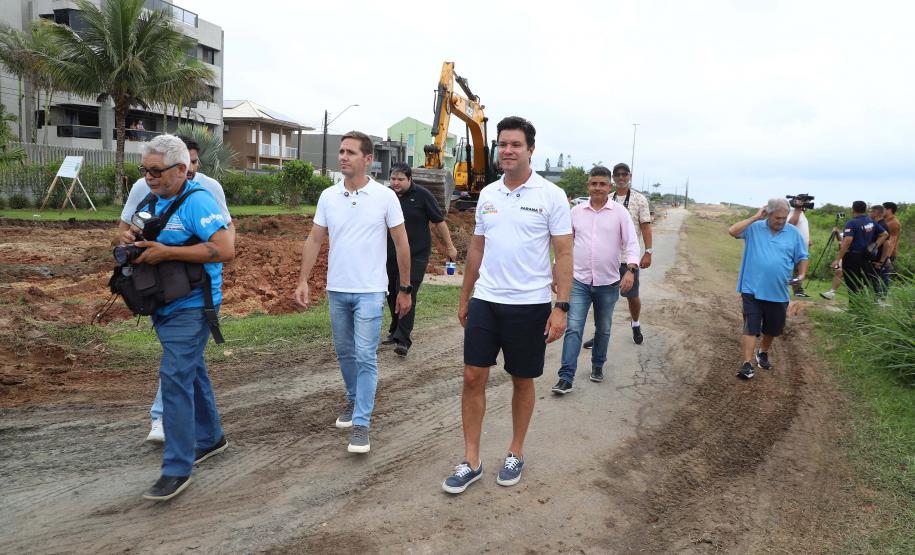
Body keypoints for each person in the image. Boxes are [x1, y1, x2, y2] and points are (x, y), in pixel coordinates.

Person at [442, 116, 572, 494]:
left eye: (515, 144)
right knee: (472, 377)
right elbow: (478, 248)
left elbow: (564, 252)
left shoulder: (551, 195)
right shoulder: (488, 194)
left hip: (529, 305)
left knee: (522, 378)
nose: (508, 151)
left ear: (531, 149)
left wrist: (561, 305)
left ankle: (515, 451)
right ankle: (471, 460)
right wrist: (465, 295)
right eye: (503, 144)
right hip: (487, 300)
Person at [118, 134, 234, 501]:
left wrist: (166, 253)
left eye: (156, 171)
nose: (149, 178)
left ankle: (177, 468)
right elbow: (126, 232)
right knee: (191, 370)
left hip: (193, 305)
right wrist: (130, 243)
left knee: (174, 376)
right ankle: (211, 438)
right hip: (164, 302)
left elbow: (225, 248)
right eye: (145, 171)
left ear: (181, 170)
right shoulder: (153, 199)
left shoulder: (198, 201)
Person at [293, 131, 413, 454]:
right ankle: (352, 398)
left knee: (365, 356)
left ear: (368, 160)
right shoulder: (328, 197)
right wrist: (303, 280)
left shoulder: (386, 197)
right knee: (345, 353)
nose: (343, 156)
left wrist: (404, 288)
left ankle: (361, 423)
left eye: (350, 152)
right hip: (337, 290)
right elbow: (315, 239)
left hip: (371, 291)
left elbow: (402, 243)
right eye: (341, 151)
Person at [551, 166, 639, 395]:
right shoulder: (576, 212)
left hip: (608, 283)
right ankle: (565, 377)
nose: (597, 188)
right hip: (578, 281)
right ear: (588, 186)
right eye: (593, 184)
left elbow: (631, 244)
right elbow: (564, 246)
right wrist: (555, 270)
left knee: (604, 328)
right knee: (574, 328)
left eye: (602, 184)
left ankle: (598, 364)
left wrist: (630, 270)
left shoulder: (620, 213)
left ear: (609, 187)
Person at [728, 198, 808, 380]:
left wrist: (801, 275)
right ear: (768, 213)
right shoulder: (755, 228)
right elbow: (732, 231)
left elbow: (803, 256)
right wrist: (755, 217)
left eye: (784, 217)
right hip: (751, 289)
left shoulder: (794, 233)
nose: (781, 221)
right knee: (751, 326)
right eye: (777, 218)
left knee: (772, 328)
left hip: (778, 292)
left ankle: (762, 352)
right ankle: (747, 364)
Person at [383, 162, 458, 356]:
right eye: (393, 179)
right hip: (390, 254)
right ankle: (394, 330)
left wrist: (450, 246)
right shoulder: (387, 196)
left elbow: (439, 222)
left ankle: (403, 339)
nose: (395, 183)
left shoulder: (423, 195)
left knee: (406, 292)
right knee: (391, 293)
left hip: (416, 255)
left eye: (400, 179)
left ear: (409, 179)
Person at [582, 162, 651, 349]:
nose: (621, 177)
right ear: (612, 178)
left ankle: (635, 324)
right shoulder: (606, 196)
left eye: (624, 174)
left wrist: (648, 252)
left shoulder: (639, 199)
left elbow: (645, 226)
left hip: (629, 260)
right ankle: (600, 335)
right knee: (604, 302)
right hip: (608, 259)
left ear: (629, 176)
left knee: (632, 296)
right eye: (617, 174)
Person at [832, 201, 888, 299]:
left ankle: (854, 307)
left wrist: (838, 259)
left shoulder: (851, 222)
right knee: (864, 279)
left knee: (852, 282)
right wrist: (874, 246)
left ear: (853, 209)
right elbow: (885, 234)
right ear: (865, 209)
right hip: (866, 255)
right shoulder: (870, 221)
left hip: (852, 256)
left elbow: (847, 241)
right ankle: (866, 302)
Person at [787, 203, 813, 297]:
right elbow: (790, 224)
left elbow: (801, 229)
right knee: (791, 269)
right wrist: (797, 209)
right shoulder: (793, 212)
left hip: (802, 247)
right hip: (794, 246)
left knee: (798, 270)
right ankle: (795, 290)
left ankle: (798, 290)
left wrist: (807, 240)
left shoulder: (801, 214)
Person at [877, 202, 902, 288]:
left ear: (889, 210)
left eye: (883, 209)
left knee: (884, 276)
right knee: (876, 275)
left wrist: (887, 257)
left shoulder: (894, 223)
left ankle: (882, 299)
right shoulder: (884, 221)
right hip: (881, 253)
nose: (881, 211)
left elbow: (892, 240)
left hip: (888, 254)